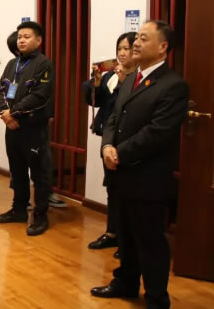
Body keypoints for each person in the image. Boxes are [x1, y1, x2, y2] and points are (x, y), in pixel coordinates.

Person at [91, 21, 188, 309]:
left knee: (149, 240)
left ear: (163, 47)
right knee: (126, 235)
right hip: (121, 172)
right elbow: (113, 118)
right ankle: (126, 282)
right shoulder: (131, 78)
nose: (136, 43)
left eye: (144, 39)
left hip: (147, 176)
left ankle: (157, 298)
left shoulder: (173, 85)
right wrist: (107, 146)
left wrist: (119, 152)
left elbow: (158, 132)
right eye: (137, 38)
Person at [0, 21, 55, 236]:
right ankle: (19, 209)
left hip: (33, 127)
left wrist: (14, 113)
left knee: (39, 174)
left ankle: (40, 215)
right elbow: (1, 90)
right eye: (20, 36)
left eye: (26, 37)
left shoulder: (44, 64)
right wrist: (5, 112)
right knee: (17, 170)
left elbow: (40, 95)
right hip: (12, 127)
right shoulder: (12, 63)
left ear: (38, 40)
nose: (21, 40)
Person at [83, 32, 137, 258]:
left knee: (128, 191)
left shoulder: (139, 78)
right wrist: (96, 81)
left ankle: (127, 239)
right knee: (112, 188)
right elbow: (94, 100)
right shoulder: (111, 75)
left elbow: (128, 107)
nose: (123, 53)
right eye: (120, 49)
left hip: (129, 140)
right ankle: (112, 232)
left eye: (127, 49)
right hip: (109, 138)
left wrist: (125, 84)